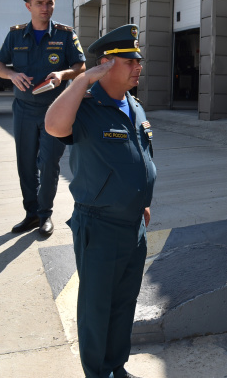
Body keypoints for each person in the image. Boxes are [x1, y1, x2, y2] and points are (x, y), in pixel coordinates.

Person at [45, 24, 155, 378]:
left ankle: (115, 367)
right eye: (129, 61)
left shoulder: (134, 106)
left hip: (133, 224)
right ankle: (98, 373)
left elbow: (139, 156)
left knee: (124, 303)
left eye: (138, 60)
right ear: (106, 65)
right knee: (97, 307)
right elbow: (53, 126)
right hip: (100, 225)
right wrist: (81, 81)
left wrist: (143, 202)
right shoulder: (89, 106)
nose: (138, 66)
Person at [0, 0, 86, 237]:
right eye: (39, 3)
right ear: (28, 6)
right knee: (25, 164)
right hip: (23, 110)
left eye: (49, 2)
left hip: (55, 109)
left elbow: (81, 66)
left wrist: (62, 74)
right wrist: (11, 75)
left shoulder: (65, 35)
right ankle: (31, 213)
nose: (45, 7)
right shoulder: (15, 35)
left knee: (48, 164)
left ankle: (45, 215)